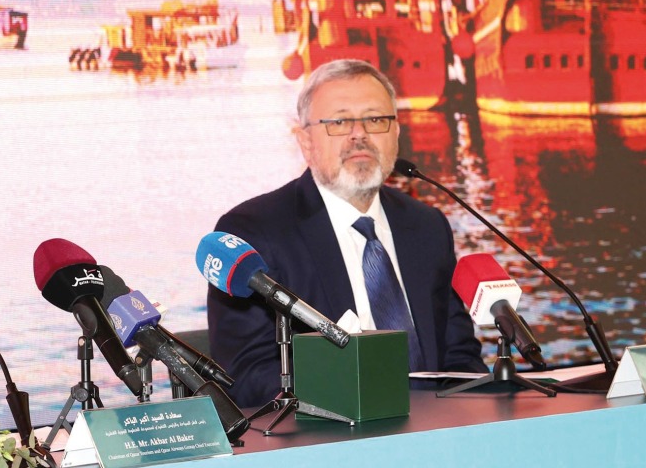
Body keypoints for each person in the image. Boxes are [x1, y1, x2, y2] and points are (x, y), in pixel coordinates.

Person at [207, 59, 485, 408]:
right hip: (329, 442)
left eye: (375, 119)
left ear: (396, 134)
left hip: (440, 439)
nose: (360, 135)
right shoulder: (255, 232)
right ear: (305, 141)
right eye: (339, 122)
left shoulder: (426, 226)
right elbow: (246, 375)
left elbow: (459, 357)